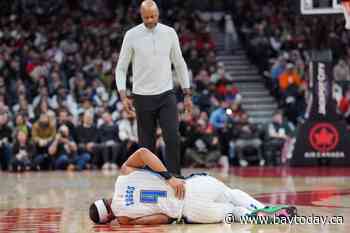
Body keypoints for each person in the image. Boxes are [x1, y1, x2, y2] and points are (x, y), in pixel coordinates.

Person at [89, 148, 297, 225]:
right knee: (232, 194)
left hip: (191, 212)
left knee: (232, 212)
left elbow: (159, 218)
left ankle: (262, 219)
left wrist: (171, 217)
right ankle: (266, 208)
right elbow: (144, 152)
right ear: (104, 200)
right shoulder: (123, 175)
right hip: (193, 187)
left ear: (107, 218)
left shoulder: (124, 220)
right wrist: (168, 177)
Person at [115, 0, 193, 175]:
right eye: (146, 17)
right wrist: (123, 95)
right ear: (141, 15)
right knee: (147, 144)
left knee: (173, 137)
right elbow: (121, 67)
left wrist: (187, 93)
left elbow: (179, 63)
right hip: (141, 96)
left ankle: (175, 177)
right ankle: (151, 180)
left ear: (158, 14)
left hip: (166, 93)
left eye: (153, 16)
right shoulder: (131, 35)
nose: (150, 20)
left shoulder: (169, 33)